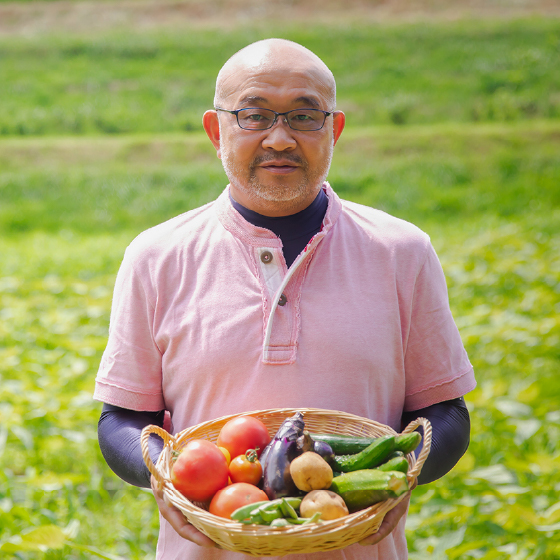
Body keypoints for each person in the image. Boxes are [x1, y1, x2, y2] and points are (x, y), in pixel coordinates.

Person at [94, 38, 476, 560]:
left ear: (334, 130)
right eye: (253, 116)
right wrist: (164, 475)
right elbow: (121, 419)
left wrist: (400, 475)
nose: (280, 138)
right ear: (216, 130)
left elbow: (446, 410)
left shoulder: (402, 251)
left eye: (304, 116)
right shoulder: (156, 256)